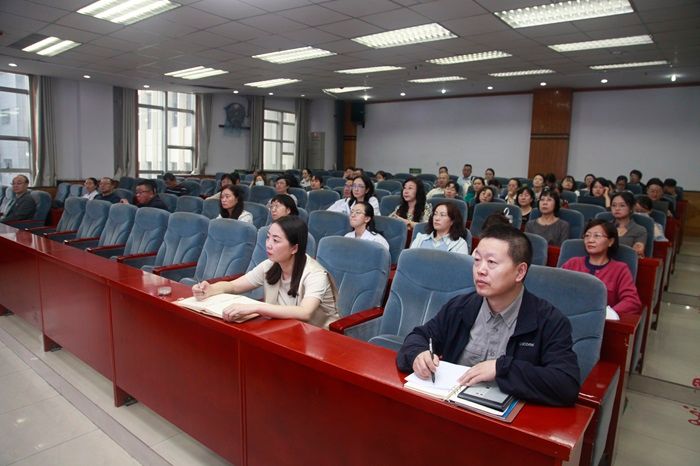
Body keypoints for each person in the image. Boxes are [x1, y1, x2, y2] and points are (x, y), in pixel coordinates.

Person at [397, 224, 581, 406]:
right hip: (451, 408)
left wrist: (502, 368)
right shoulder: (460, 307)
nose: (480, 270)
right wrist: (418, 354)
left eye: (491, 262)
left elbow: (566, 384)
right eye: (477, 260)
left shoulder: (549, 321)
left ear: (520, 272)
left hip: (508, 419)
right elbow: (419, 336)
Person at [192, 216, 340, 329]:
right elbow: (234, 286)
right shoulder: (270, 265)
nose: (268, 244)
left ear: (294, 248)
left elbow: (305, 312)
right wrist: (210, 289)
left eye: (276, 240)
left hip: (319, 338)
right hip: (283, 329)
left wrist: (257, 307)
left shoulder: (315, 274)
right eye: (268, 237)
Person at [561, 219, 642, 316]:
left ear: (610, 241)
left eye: (597, 236)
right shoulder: (572, 263)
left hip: (603, 322)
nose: (590, 240)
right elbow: (555, 288)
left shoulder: (620, 269)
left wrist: (606, 314)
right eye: (587, 236)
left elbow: (632, 301)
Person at [611, 191, 647, 257]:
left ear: (631, 208)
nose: (617, 208)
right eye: (614, 205)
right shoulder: (603, 227)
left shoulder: (639, 230)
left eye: (622, 205)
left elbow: (637, 255)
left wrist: (638, 250)